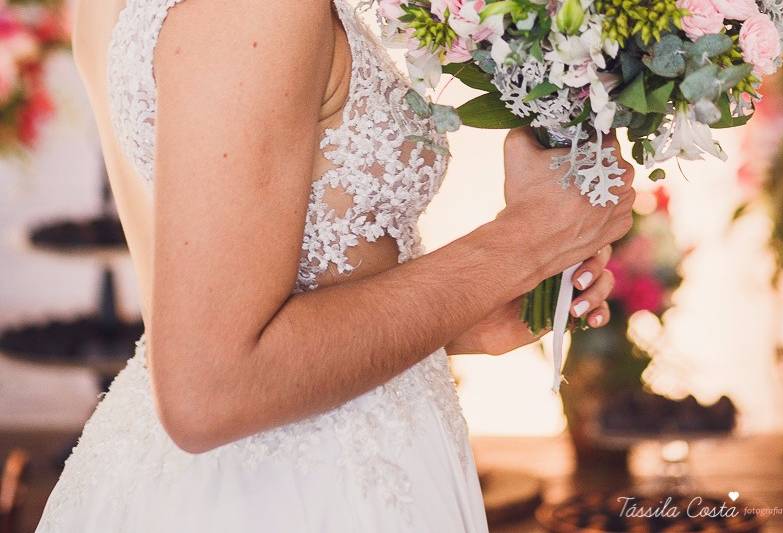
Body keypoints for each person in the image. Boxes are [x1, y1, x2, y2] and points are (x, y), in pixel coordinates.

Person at [37, 0, 633, 531]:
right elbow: (209, 389)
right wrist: (522, 242)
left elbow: (226, 296)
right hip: (283, 495)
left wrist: (454, 319)